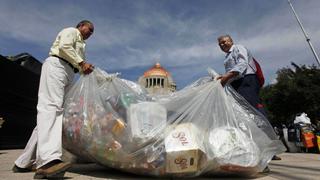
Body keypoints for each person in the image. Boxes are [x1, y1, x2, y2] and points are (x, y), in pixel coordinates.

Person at [12, 20, 95, 179]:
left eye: (92, 32)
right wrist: (82, 63)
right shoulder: (71, 31)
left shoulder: (82, 46)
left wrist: (85, 69)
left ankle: (23, 162)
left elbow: (78, 64)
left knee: (52, 116)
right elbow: (64, 47)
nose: (90, 33)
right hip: (57, 65)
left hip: (69, 73)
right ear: (80, 26)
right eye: (89, 29)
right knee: (51, 109)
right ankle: (48, 162)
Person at [216, 35, 281, 166]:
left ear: (231, 41)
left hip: (246, 81)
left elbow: (242, 64)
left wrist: (226, 77)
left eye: (224, 42)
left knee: (251, 114)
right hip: (236, 84)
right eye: (220, 44)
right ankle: (260, 148)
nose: (222, 45)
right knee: (246, 114)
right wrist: (223, 78)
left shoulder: (238, 48)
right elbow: (231, 73)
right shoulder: (227, 58)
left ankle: (266, 150)